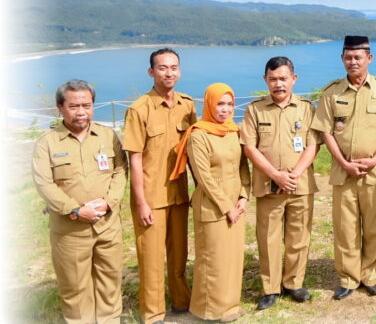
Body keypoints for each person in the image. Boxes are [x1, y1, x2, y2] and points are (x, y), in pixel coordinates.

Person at [310, 35, 376, 300]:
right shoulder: (331, 92)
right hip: (343, 171)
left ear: (369, 59)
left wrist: (374, 159)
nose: (353, 62)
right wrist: (344, 162)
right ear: (342, 59)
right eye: (348, 57)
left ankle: (370, 274)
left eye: (358, 57)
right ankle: (348, 278)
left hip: (375, 170)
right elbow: (326, 132)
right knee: (346, 228)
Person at [32, 79, 128, 323]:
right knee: (75, 287)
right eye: (74, 106)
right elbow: (44, 183)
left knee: (110, 280)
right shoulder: (48, 143)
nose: (81, 112)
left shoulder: (108, 136)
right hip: (70, 230)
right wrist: (75, 210)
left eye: (87, 105)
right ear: (60, 107)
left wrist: (109, 203)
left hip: (107, 226)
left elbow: (120, 171)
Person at [241, 57, 320, 309]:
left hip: (300, 183)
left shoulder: (306, 108)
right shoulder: (255, 109)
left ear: (293, 79)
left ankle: (294, 283)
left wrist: (294, 174)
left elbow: (312, 144)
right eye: (273, 79)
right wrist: (276, 175)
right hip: (269, 184)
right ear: (265, 80)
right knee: (268, 238)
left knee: (298, 236)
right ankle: (270, 288)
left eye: (283, 78)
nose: (278, 84)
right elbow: (249, 148)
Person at [123, 48, 195, 324]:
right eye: (163, 68)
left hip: (179, 193)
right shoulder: (139, 109)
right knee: (152, 260)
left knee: (179, 256)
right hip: (151, 197)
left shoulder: (187, 105)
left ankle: (181, 303)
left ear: (180, 71)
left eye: (174, 67)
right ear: (151, 72)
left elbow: (194, 149)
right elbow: (135, 158)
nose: (169, 72)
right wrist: (140, 201)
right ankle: (153, 314)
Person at [171, 83, 251, 321]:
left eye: (229, 104)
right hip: (212, 206)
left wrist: (244, 197)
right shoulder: (198, 135)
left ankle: (230, 306)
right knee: (212, 261)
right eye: (219, 104)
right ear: (208, 104)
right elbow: (204, 177)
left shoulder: (233, 131)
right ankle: (208, 310)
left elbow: (243, 168)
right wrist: (227, 207)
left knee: (233, 259)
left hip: (236, 205)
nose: (224, 109)